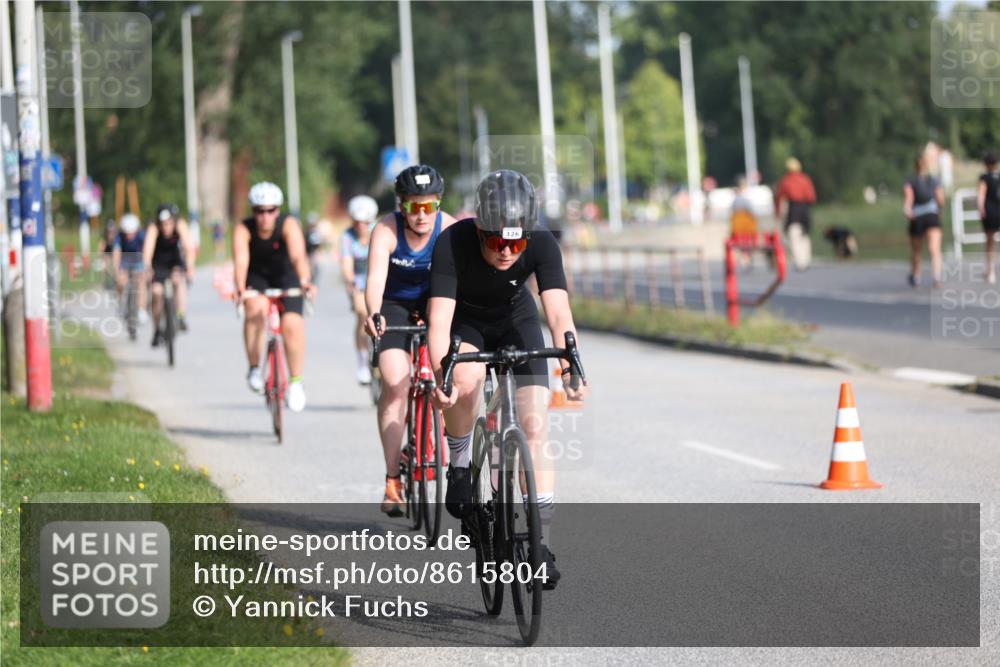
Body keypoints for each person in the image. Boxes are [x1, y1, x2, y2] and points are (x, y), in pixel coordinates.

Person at [428, 170, 590, 589]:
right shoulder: (453, 242)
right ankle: (461, 464)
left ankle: (540, 543)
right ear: (480, 230)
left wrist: (572, 364)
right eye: (497, 241)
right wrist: (440, 376)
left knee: (535, 422)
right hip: (467, 323)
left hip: (517, 321)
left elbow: (557, 313)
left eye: (516, 244)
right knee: (464, 380)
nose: (506, 251)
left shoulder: (542, 242)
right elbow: (439, 322)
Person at [364, 165, 458, 517]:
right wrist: (374, 313)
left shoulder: (448, 228)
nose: (422, 215)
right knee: (395, 383)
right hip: (395, 305)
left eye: (429, 206)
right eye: (413, 207)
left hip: (438, 302)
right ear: (401, 205)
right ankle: (392, 479)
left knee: (446, 375)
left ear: (438, 204)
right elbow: (374, 280)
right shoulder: (386, 230)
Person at [233, 182, 315, 412]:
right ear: (253, 211)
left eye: (270, 210)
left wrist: (305, 280)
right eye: (259, 211)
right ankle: (254, 367)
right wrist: (240, 287)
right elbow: (241, 260)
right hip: (257, 277)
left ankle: (296, 383)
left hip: (286, 276)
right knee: (256, 310)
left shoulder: (288, 225)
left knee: (293, 325)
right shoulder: (244, 229)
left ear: (278, 210)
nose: (265, 216)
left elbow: (299, 256)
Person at [143, 204, 196, 344]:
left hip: (175, 262)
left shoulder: (180, 225)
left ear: (174, 221)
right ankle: (156, 329)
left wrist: (190, 267)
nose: (166, 227)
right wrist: (147, 268)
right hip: (158, 264)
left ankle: (180, 316)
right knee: (156, 293)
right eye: (163, 224)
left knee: (179, 281)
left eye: (169, 224)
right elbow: (147, 251)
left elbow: (189, 248)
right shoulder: (154, 228)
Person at [341, 195, 378, 385]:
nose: (360, 226)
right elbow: (347, 264)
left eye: (364, 222)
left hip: (378, 280)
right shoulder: (348, 236)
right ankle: (363, 362)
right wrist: (350, 280)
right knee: (362, 314)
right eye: (356, 222)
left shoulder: (378, 232)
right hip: (358, 282)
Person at [903, 154, 945, 288]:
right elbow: (940, 199)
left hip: (918, 216)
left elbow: (909, 199)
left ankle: (916, 277)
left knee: (917, 250)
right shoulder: (934, 180)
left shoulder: (911, 180)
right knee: (935, 249)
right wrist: (939, 211)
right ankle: (936, 277)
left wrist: (908, 210)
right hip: (932, 215)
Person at [774, 157, 817, 271]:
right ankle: (806, 260)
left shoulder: (786, 180)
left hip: (794, 209)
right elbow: (812, 197)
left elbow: (779, 197)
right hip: (805, 209)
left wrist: (778, 212)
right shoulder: (805, 179)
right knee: (804, 235)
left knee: (794, 235)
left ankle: (800, 262)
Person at [112, 214, 147, 324]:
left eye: (132, 233)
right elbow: (116, 253)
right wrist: (116, 269)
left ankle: (141, 309)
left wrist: (146, 267)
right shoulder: (119, 236)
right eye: (127, 233)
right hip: (125, 261)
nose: (129, 235)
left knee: (141, 282)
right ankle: (121, 302)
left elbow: (147, 250)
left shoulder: (141, 235)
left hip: (138, 261)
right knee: (121, 281)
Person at [977, 151, 1000, 284]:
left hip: (990, 212)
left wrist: (981, 209)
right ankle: (990, 271)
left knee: (990, 242)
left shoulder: (984, 177)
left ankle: (990, 271)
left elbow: (981, 194)